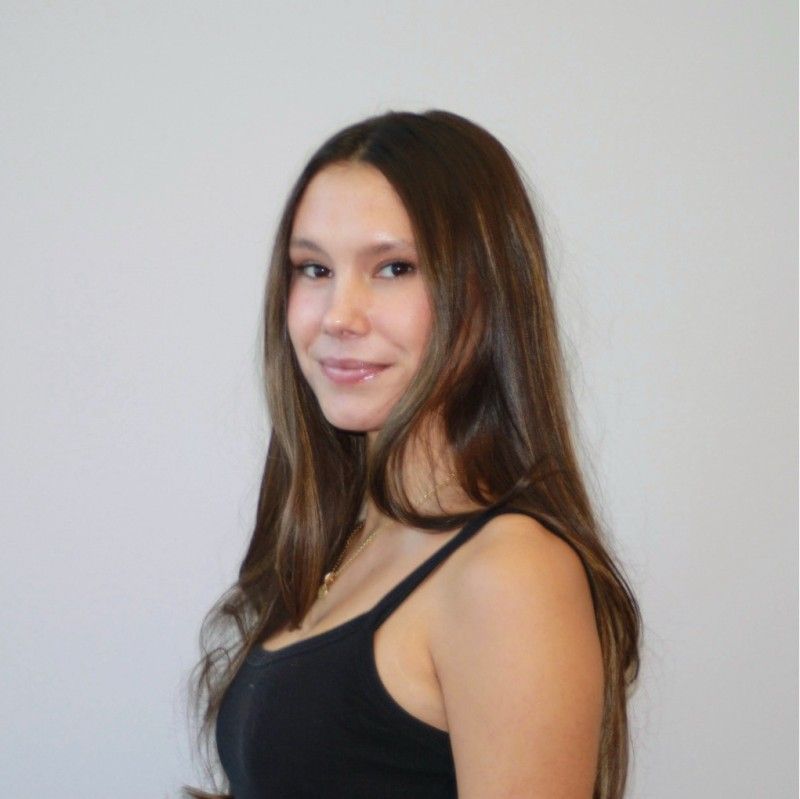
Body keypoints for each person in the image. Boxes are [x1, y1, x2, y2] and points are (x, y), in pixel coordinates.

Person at [185, 110, 641, 799]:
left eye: (394, 267)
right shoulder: (346, 539)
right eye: (314, 268)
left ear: (484, 294)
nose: (339, 315)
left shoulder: (509, 571)